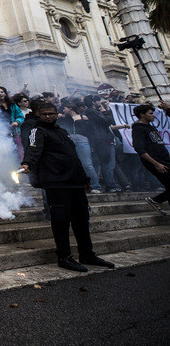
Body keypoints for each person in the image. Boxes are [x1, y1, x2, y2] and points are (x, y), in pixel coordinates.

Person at [20, 103, 115, 272]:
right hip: (56, 182)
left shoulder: (63, 132)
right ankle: (64, 256)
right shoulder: (38, 131)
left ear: (57, 114)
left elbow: (73, 157)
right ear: (40, 116)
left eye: (51, 113)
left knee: (82, 218)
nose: (48, 116)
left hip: (74, 182)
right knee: (61, 220)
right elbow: (33, 149)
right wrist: (27, 163)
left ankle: (87, 254)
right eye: (44, 114)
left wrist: (83, 178)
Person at [132, 104, 170, 215]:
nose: (153, 116)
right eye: (150, 113)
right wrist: (156, 163)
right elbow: (139, 149)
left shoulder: (151, 127)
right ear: (142, 115)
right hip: (157, 162)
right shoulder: (138, 129)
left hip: (165, 160)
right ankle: (155, 200)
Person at [57, 102, 101, 193]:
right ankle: (79, 185)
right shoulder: (65, 119)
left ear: (70, 108)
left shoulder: (83, 118)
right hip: (70, 143)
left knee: (87, 165)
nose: (64, 110)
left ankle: (95, 186)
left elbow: (90, 133)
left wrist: (92, 145)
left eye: (65, 108)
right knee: (73, 165)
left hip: (83, 142)